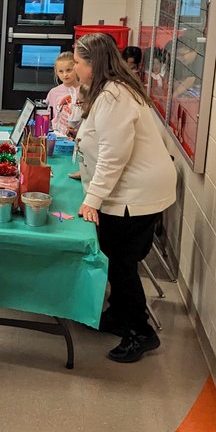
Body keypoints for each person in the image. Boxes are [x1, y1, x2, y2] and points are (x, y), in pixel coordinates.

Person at [72, 33, 177, 364]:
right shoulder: (110, 90)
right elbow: (99, 142)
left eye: (78, 62)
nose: (74, 69)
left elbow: (114, 154)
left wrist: (92, 198)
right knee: (115, 256)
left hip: (135, 194)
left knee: (120, 262)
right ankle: (119, 314)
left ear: (94, 64)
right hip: (131, 189)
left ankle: (140, 332)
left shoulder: (114, 96)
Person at [46, 51, 81, 138]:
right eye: (61, 71)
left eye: (69, 70)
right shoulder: (53, 92)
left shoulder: (85, 90)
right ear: (56, 72)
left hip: (79, 135)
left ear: (76, 68)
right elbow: (48, 116)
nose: (65, 74)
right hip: (58, 135)